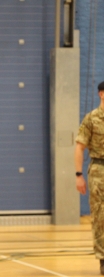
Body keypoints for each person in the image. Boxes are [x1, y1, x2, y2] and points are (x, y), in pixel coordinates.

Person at [75, 81, 104, 275]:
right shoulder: (92, 118)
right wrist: (78, 175)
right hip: (99, 171)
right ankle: (103, 257)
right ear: (102, 94)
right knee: (101, 217)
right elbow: (79, 147)